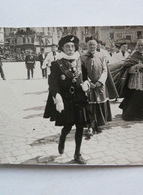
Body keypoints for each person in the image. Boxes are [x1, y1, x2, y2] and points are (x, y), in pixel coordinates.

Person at [43, 35, 90, 164]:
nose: (70, 48)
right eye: (67, 46)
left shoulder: (80, 61)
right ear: (62, 48)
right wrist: (57, 98)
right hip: (66, 99)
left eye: (72, 46)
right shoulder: (56, 63)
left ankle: (77, 154)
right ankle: (62, 138)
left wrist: (86, 83)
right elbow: (52, 83)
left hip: (79, 98)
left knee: (80, 126)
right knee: (68, 126)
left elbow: (85, 76)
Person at [81, 37, 112, 134]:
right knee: (89, 104)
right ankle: (90, 125)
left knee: (99, 103)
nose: (92, 46)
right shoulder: (82, 57)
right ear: (87, 45)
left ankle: (98, 124)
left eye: (94, 44)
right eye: (90, 44)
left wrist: (100, 81)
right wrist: (89, 82)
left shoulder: (101, 56)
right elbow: (82, 72)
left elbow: (105, 70)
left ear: (97, 45)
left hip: (99, 85)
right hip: (88, 85)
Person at [119, 39, 143, 121]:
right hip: (134, 79)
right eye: (139, 45)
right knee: (132, 95)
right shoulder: (133, 55)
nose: (140, 47)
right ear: (136, 45)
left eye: (142, 45)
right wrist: (136, 67)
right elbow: (126, 67)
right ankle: (129, 115)